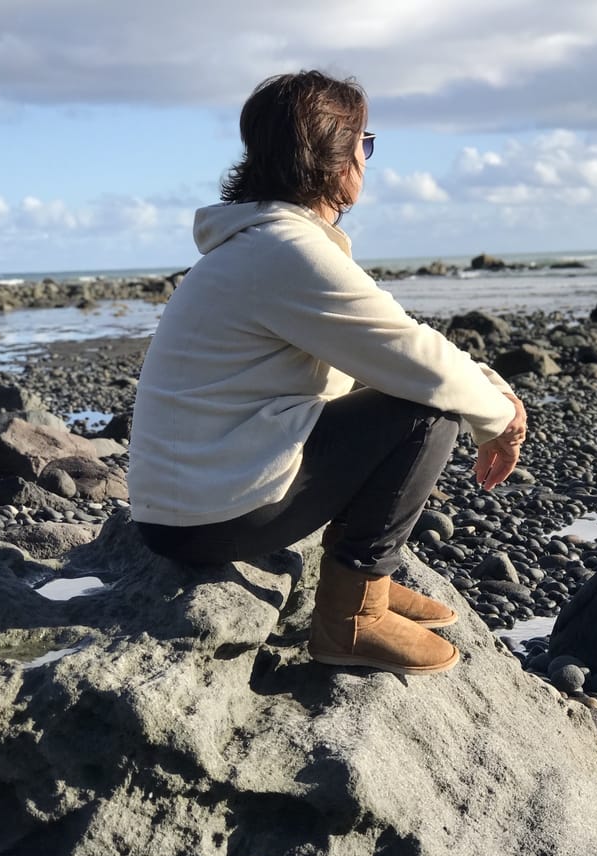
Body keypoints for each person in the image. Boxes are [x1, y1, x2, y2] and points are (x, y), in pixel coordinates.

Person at [126, 71, 526, 677]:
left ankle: (372, 587)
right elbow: (416, 361)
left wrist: (492, 390)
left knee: (411, 390)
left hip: (186, 507)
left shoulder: (265, 245)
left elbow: (388, 345)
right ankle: (351, 616)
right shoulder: (286, 253)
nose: (368, 158)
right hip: (210, 517)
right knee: (429, 410)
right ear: (335, 160)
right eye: (364, 142)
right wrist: (501, 419)